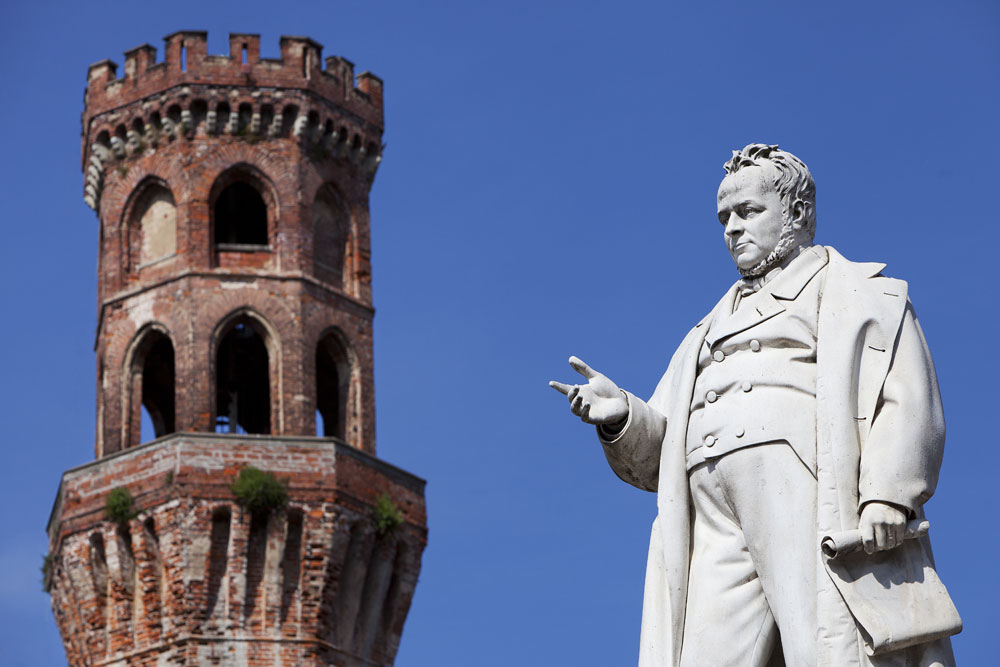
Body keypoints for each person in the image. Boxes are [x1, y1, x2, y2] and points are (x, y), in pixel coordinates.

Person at [550, 144, 960, 667]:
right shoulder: (708, 326)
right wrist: (624, 417)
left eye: (749, 211)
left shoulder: (862, 294)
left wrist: (888, 493)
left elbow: (905, 397)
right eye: (724, 217)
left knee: (825, 641)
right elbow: (663, 441)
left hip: (804, 481)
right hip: (708, 503)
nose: (732, 228)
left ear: (797, 212)